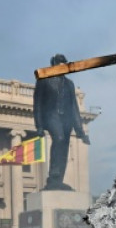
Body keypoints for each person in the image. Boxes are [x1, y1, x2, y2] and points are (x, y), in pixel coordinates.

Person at [33, 53, 90, 190]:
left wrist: (81, 132)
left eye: (65, 65)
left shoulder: (69, 84)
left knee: (64, 146)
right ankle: (53, 176)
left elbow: (74, 108)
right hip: (51, 116)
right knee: (58, 139)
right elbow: (38, 104)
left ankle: (58, 179)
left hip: (66, 120)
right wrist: (39, 126)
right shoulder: (44, 80)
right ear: (54, 65)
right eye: (60, 64)